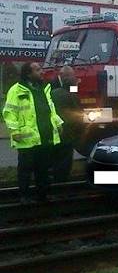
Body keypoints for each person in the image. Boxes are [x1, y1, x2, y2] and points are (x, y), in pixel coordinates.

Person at [2, 62, 63, 203]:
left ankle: (43, 195)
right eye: (37, 70)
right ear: (28, 74)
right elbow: (9, 112)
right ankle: (24, 197)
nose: (42, 72)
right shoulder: (16, 90)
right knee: (25, 170)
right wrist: (14, 130)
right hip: (26, 138)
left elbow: (50, 109)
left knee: (43, 169)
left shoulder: (44, 89)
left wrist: (58, 123)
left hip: (45, 136)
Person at [50, 66, 83, 182]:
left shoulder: (54, 90)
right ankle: (61, 182)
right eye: (72, 75)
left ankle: (55, 179)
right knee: (64, 160)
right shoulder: (66, 92)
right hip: (67, 131)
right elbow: (76, 103)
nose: (74, 77)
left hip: (55, 131)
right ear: (67, 76)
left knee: (55, 158)